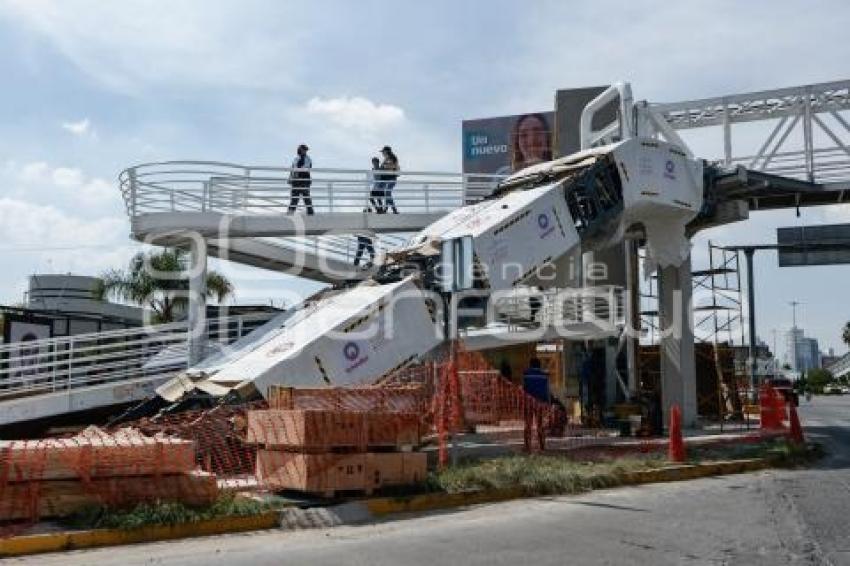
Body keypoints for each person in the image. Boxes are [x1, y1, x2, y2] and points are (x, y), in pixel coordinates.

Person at [287, 144, 314, 215]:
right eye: (303, 149)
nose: (304, 151)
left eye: (305, 150)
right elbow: (292, 169)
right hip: (295, 180)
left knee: (306, 197)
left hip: (304, 180)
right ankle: (290, 213)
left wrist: (297, 171)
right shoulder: (296, 158)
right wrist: (290, 178)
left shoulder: (308, 158)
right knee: (294, 198)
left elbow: (305, 168)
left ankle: (310, 213)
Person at [379, 145, 400, 214]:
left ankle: (392, 209)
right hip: (388, 178)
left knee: (387, 193)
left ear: (386, 151)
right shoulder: (386, 158)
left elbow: (392, 166)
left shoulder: (393, 158)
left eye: (383, 152)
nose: (382, 153)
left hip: (392, 178)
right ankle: (389, 209)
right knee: (387, 193)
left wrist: (384, 167)